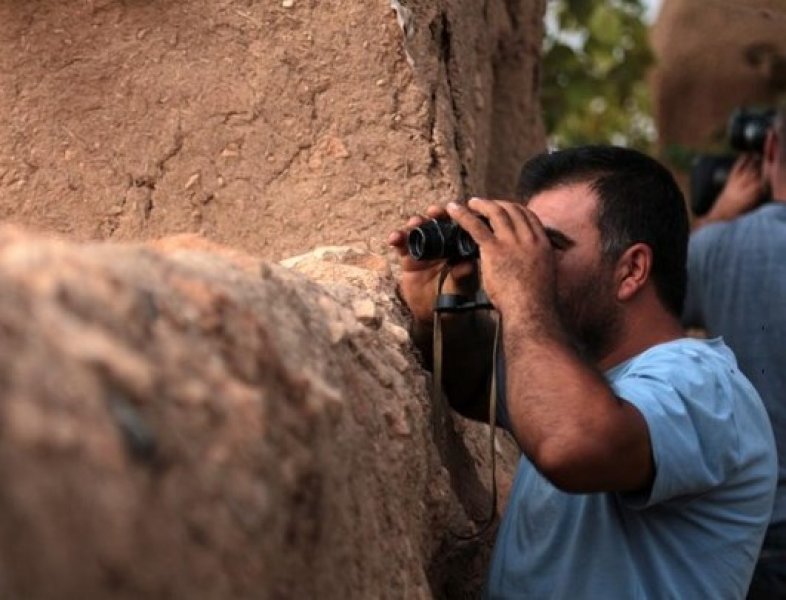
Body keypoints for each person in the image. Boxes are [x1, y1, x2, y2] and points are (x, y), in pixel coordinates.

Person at [388, 145, 777, 599]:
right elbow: (479, 386)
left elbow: (570, 445)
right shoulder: (581, 376)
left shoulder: (702, 382)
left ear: (631, 269)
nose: (524, 263)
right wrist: (445, 307)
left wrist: (521, 298)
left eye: (548, 245)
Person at [684, 110, 786, 598]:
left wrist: (718, 217)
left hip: (760, 530)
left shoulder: (717, 248)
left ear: (768, 151)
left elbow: (641, 300)